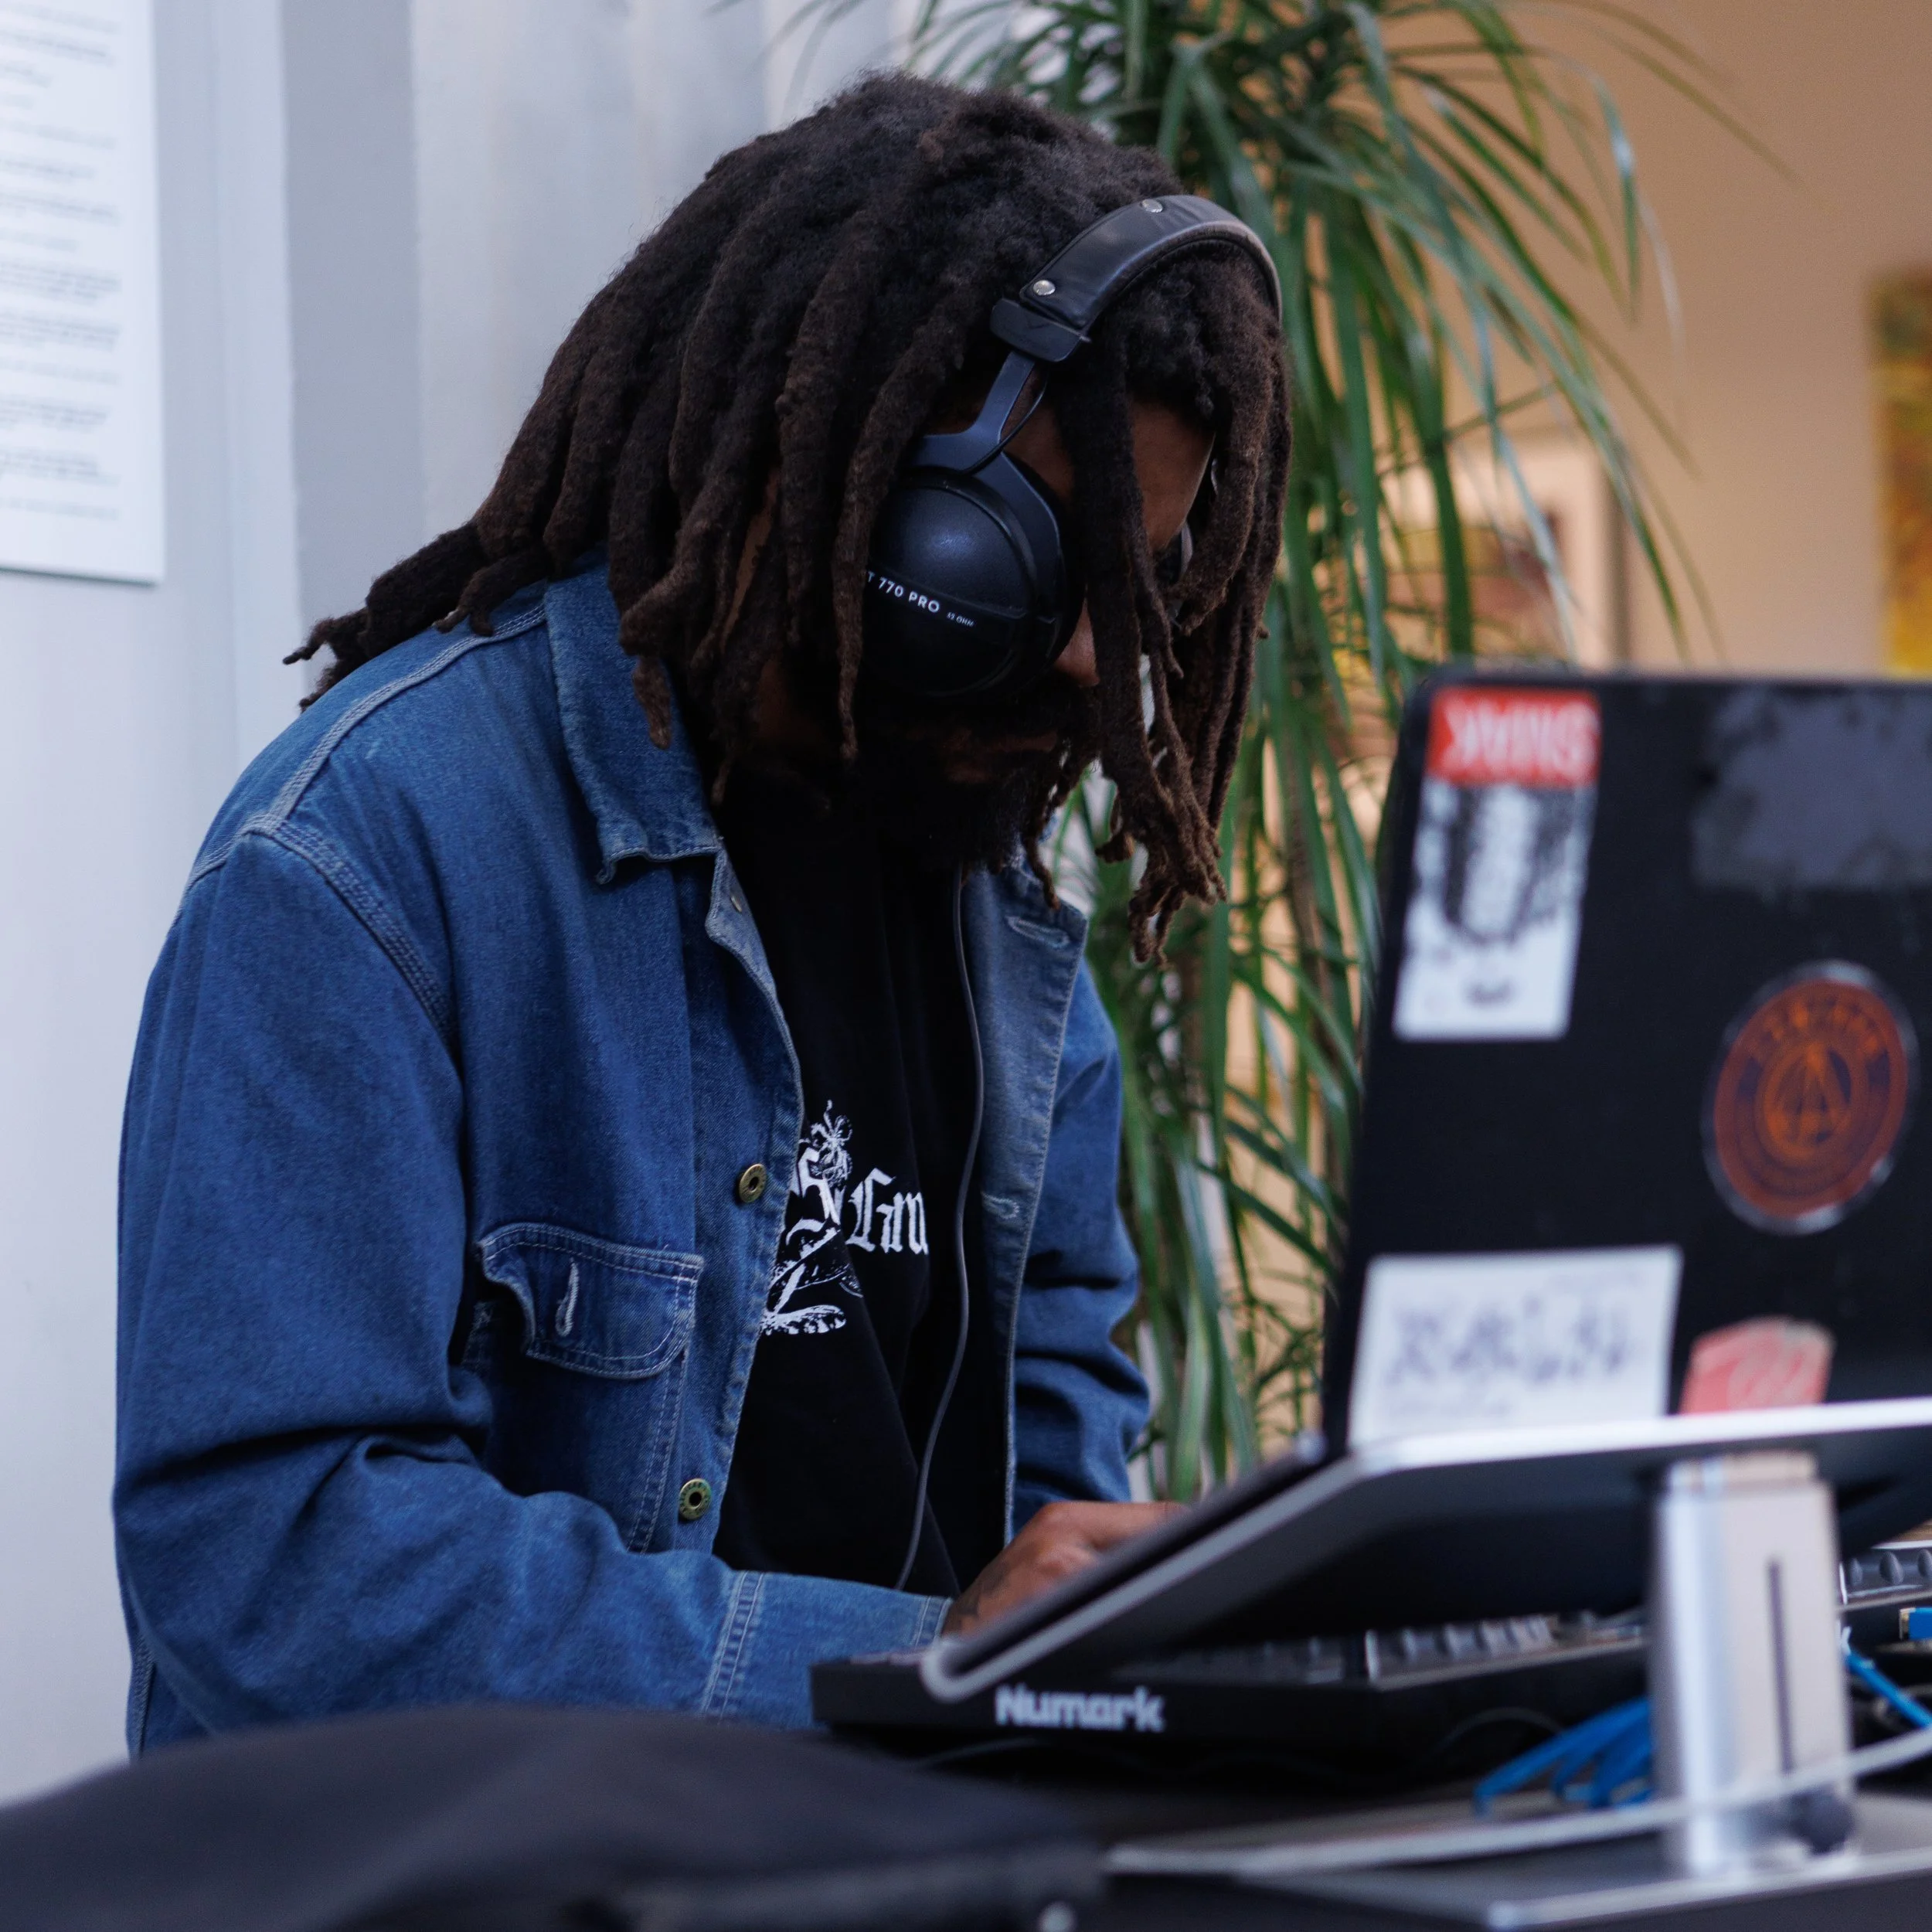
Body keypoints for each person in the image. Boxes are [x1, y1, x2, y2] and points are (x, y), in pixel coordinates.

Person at [114, 73, 1291, 1745]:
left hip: (902, 1838)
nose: (1102, 658)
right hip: (521, 1858)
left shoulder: (1005, 925)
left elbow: (1050, 1442)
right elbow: (272, 1561)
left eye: (1140, 579)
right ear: (874, 499)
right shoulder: (362, 863)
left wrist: (1107, 1651)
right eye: (1048, 565)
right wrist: (905, 1658)